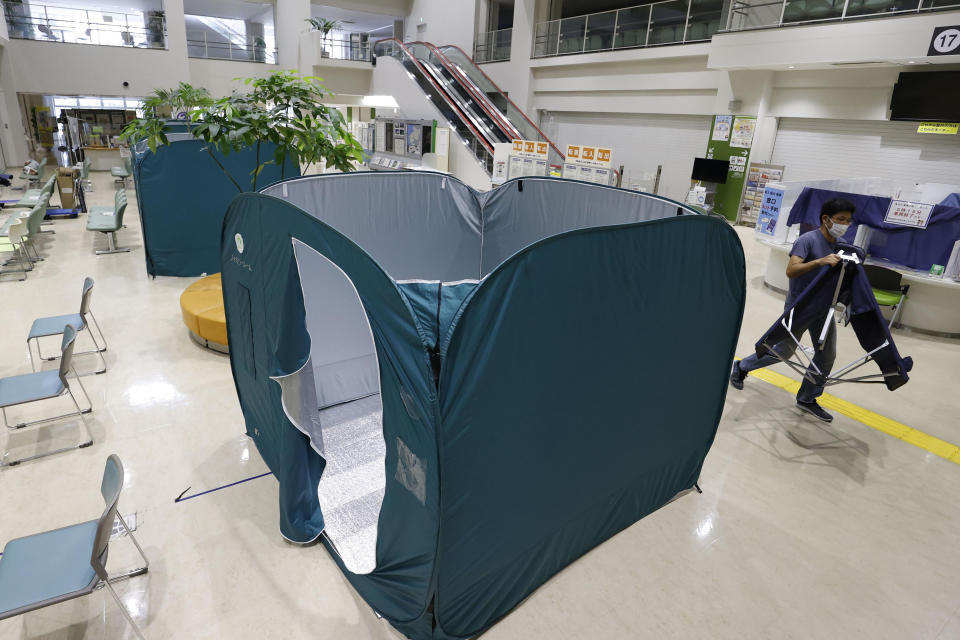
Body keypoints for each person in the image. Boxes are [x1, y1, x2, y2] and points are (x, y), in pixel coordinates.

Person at [730, 197, 855, 422]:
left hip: (824, 308)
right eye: (841, 219)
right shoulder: (807, 241)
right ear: (825, 219)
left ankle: (807, 397)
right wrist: (819, 262)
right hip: (801, 307)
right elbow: (792, 270)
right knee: (784, 351)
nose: (845, 224)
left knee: (827, 355)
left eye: (848, 220)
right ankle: (742, 366)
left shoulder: (840, 244)